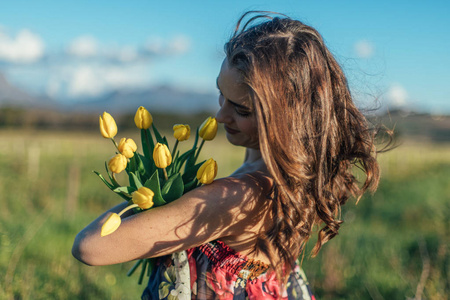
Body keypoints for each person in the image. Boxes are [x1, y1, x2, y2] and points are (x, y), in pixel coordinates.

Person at [73, 11, 381, 299]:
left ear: (286, 118)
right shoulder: (291, 172)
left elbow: (90, 247)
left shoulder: (238, 196)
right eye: (222, 93)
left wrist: (151, 193)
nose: (221, 115)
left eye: (242, 109)